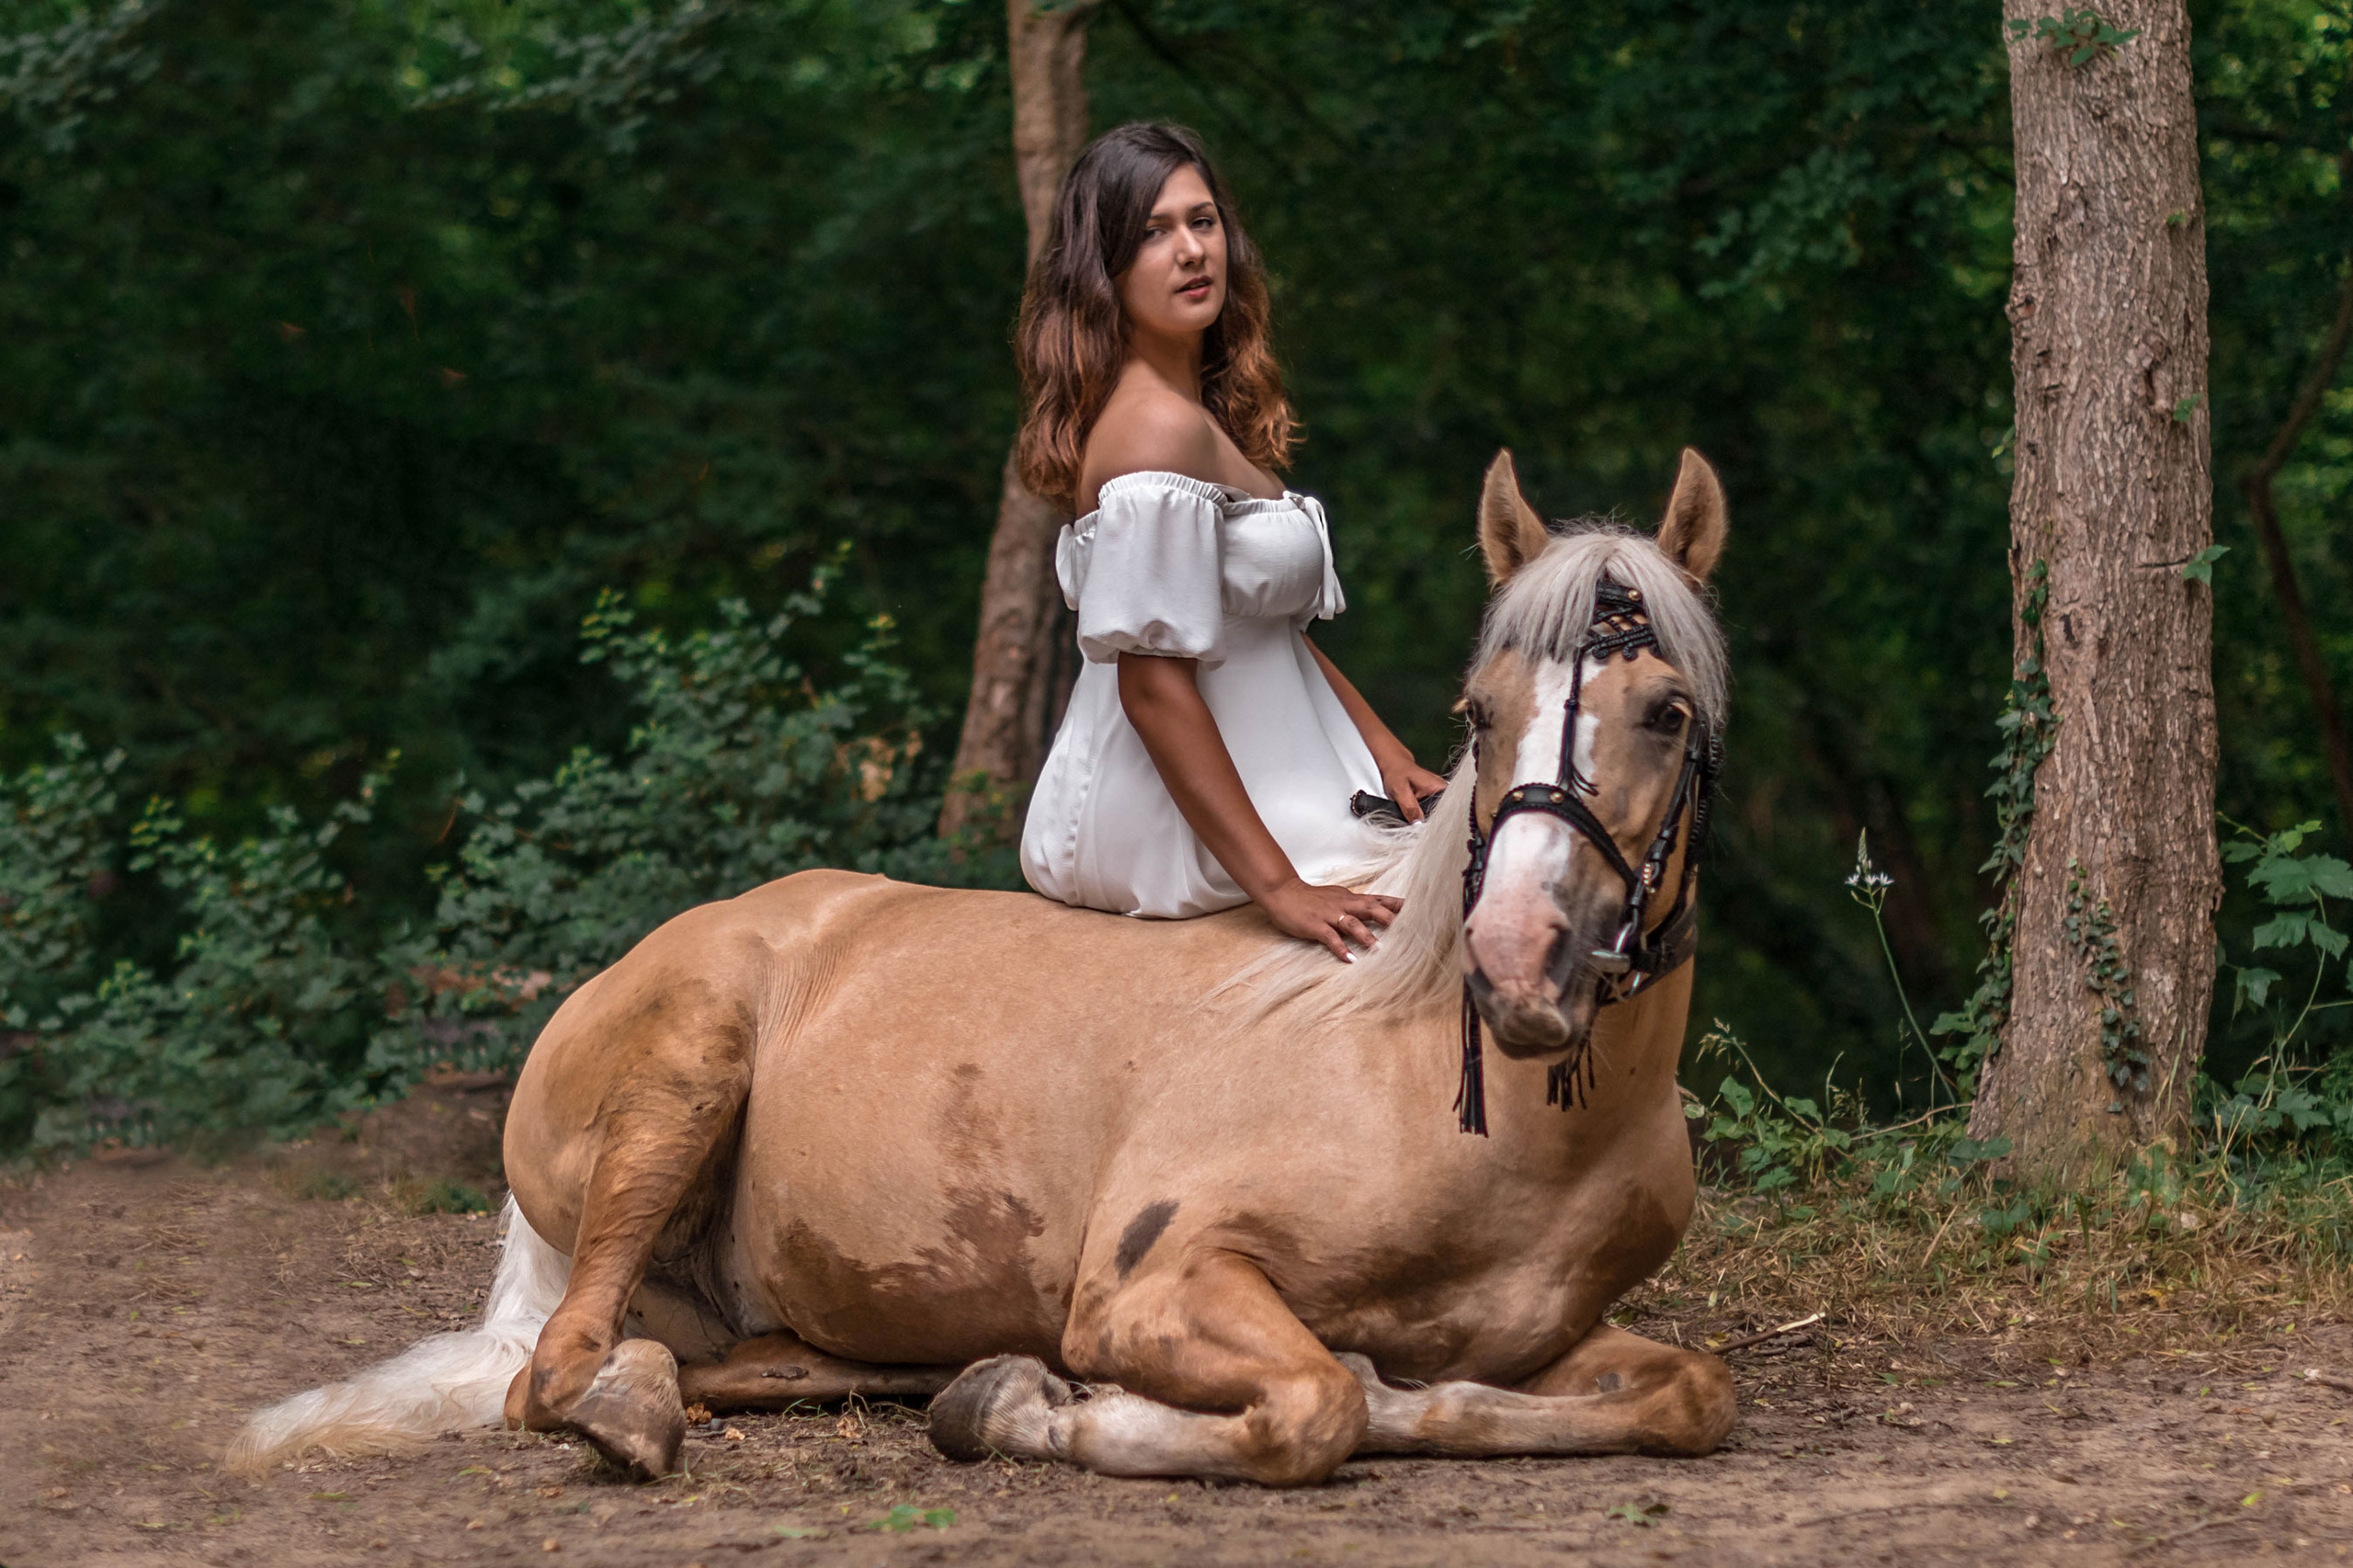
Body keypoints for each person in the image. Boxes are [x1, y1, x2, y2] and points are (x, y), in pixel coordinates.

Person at [1015, 123, 1446, 962]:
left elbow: (1259, 630)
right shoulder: (1152, 431)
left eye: (1201, 221)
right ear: (1102, 269)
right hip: (1167, 813)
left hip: (1281, 771)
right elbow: (1150, 683)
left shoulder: (1197, 419)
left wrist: (1386, 755)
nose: (1188, 250)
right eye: (1151, 232)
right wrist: (1281, 888)